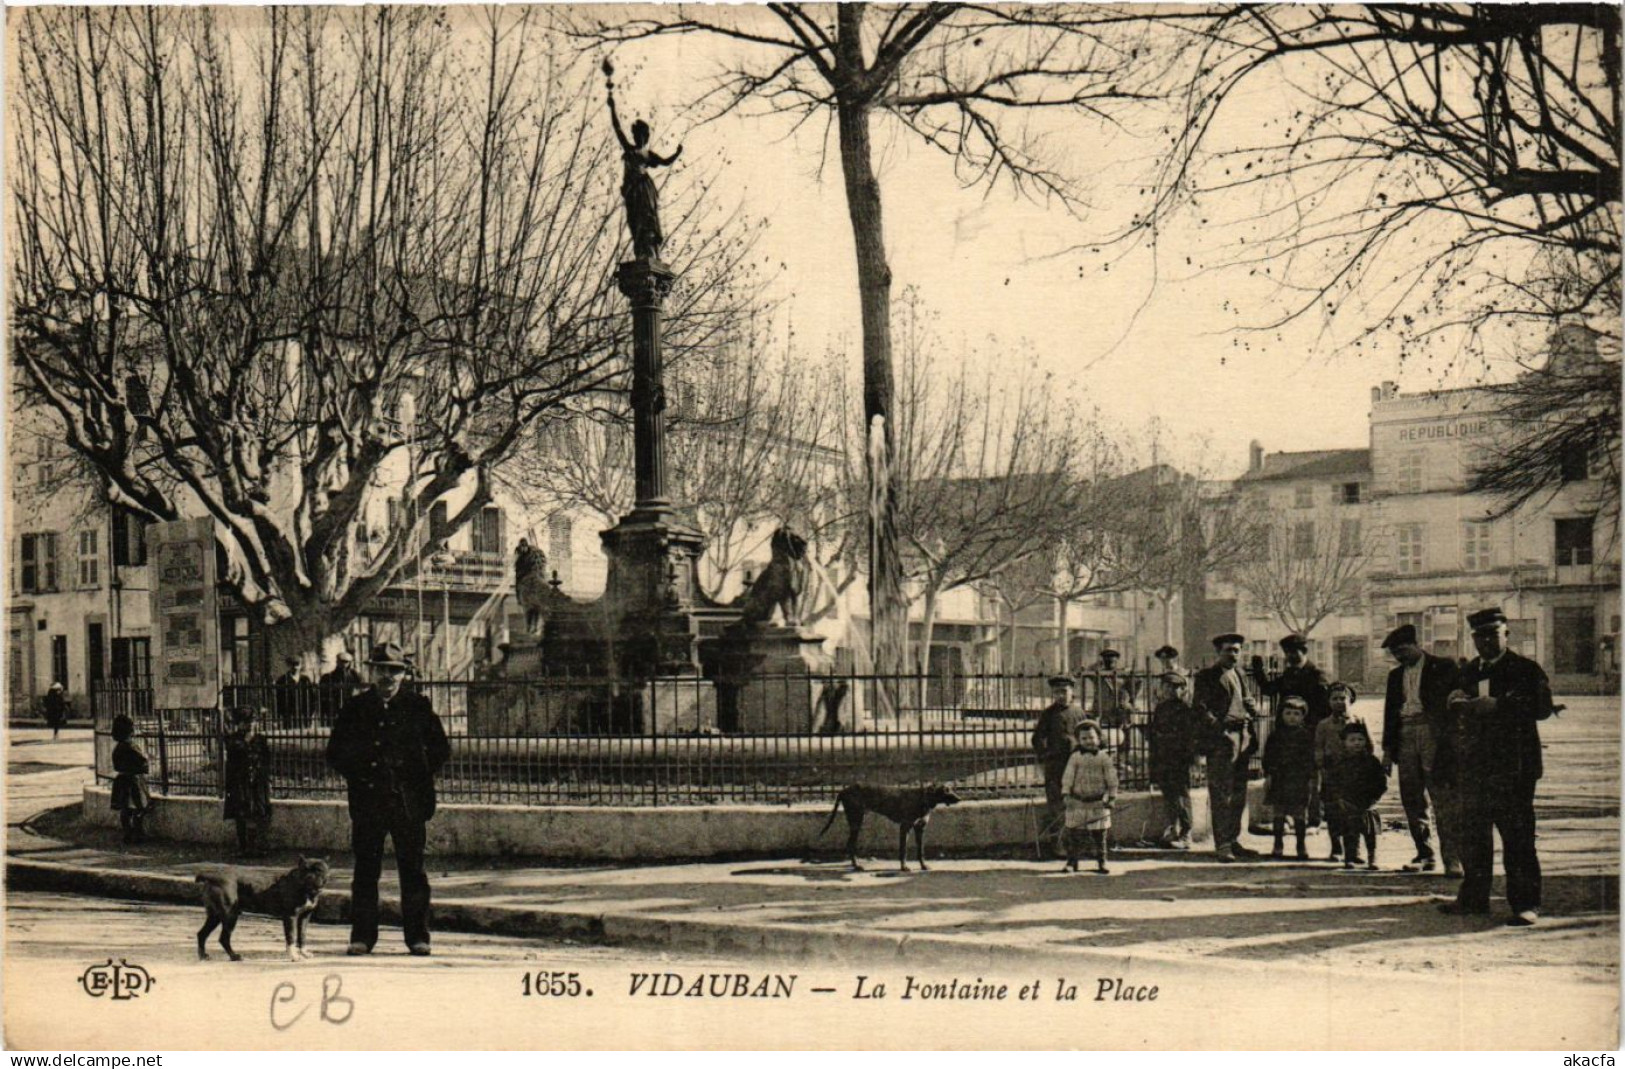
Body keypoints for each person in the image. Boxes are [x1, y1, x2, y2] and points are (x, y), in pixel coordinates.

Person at [327, 642, 451, 956]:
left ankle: (417, 937)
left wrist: (415, 778)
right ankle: (362, 937)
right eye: (382, 670)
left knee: (413, 871)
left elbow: (440, 750)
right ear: (372, 671)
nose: (388, 677)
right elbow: (335, 753)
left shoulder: (418, 707)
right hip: (369, 803)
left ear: (404, 674)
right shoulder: (355, 708)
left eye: (395, 670)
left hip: (408, 804)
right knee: (366, 871)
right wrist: (362, 775)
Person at [1441, 608, 1557, 927]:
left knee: (1517, 838)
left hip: (1514, 768)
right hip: (1474, 767)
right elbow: (1452, 712)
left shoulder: (1525, 669)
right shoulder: (1468, 672)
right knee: (1474, 837)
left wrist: (1500, 705)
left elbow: (1543, 708)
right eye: (1480, 635)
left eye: (1493, 633)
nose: (1486, 641)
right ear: (1473, 639)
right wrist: (1452, 701)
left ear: (1507, 635)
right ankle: (1473, 899)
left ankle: (1526, 904)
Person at [1380, 623, 1462, 876]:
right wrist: (1387, 750)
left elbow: (1457, 705)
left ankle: (1452, 859)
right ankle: (1425, 854)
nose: (1399, 656)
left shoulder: (1444, 667)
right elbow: (1389, 714)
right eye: (1395, 653)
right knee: (1412, 797)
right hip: (1405, 735)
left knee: (1442, 797)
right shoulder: (1395, 676)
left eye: (1403, 650)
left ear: (1417, 645)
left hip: (1433, 736)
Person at [1192, 633, 1261, 863]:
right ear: (1218, 653)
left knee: (1239, 793)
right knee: (1221, 793)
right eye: (1228, 650)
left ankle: (1233, 839)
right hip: (1222, 740)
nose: (1233, 655)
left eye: (1237, 650)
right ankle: (1222, 843)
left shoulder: (1240, 673)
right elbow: (1200, 709)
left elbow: (1247, 700)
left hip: (1242, 738)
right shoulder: (1207, 677)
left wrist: (1253, 709)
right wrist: (1220, 728)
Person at [607, 68, 683, 260]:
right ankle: (642, 253)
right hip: (632, 191)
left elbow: (665, 162)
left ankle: (651, 253)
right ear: (635, 136)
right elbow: (617, 129)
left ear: (646, 136)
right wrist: (612, 108)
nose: (639, 138)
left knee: (648, 220)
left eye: (642, 136)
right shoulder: (631, 150)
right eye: (637, 135)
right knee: (635, 222)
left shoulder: (648, 154)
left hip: (644, 190)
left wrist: (677, 153)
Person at [1032, 675, 1087, 856]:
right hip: (1056, 766)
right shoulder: (1048, 714)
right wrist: (1045, 755)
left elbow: (1090, 734)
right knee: (1057, 805)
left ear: (1072, 692)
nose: (1061, 696)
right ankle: (1058, 843)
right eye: (1057, 692)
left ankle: (1076, 843)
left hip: (1076, 765)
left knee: (1077, 803)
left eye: (1064, 691)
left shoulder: (1079, 713)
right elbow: (1038, 738)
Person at [1325, 722, 1386, 870]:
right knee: (1349, 831)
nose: (1356, 743)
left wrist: (1374, 799)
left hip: (1367, 803)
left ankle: (1372, 857)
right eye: (1352, 740)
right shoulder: (1339, 763)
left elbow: (1380, 782)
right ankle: (1350, 857)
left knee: (1369, 832)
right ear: (1344, 742)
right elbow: (1332, 783)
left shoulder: (1372, 762)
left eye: (1360, 739)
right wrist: (1339, 799)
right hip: (1347, 803)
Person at [1262, 696, 1316, 860]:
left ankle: (1301, 845)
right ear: (1282, 715)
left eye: (1296, 714)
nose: (1292, 717)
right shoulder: (1275, 736)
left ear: (1302, 716)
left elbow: (1310, 758)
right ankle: (1278, 844)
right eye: (1288, 713)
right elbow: (1268, 756)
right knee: (1279, 813)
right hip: (1280, 779)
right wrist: (1269, 773)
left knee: (1299, 814)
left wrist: (1310, 776)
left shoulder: (1306, 736)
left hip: (1299, 779)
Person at [1061, 721, 1117, 875]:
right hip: (1077, 801)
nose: (1088, 741)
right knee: (1074, 834)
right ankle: (1072, 862)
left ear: (1099, 738)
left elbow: (1112, 779)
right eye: (1084, 739)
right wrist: (1066, 794)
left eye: (1091, 738)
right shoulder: (1075, 758)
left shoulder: (1104, 758)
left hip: (1098, 802)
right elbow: (1068, 777)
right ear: (1079, 740)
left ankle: (1102, 861)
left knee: (1100, 835)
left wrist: (1112, 797)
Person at [1148, 672, 1196, 849]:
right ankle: (1173, 829)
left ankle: (1186, 833)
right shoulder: (1161, 708)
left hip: (1178, 759)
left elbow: (1189, 737)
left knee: (1181, 796)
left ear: (1183, 689)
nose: (1170, 690)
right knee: (1168, 795)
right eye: (1167, 687)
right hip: (1163, 757)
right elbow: (1154, 733)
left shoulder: (1185, 709)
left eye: (1175, 687)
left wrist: (1189, 757)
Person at [1314, 682, 1358, 860]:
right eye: (1335, 699)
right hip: (1331, 773)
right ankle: (1336, 847)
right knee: (1333, 811)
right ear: (1329, 702)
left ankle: (1353, 850)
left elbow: (1368, 745)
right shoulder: (1323, 725)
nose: (1339, 702)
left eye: (1343, 698)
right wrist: (1321, 767)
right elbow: (1318, 748)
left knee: (1353, 811)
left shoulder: (1357, 721)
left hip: (1353, 773)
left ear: (1350, 700)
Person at [1254, 633, 1332, 731]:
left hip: (1308, 730)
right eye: (1287, 652)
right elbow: (1268, 690)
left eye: (1294, 652)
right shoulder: (1288, 673)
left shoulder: (1317, 675)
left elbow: (1324, 707)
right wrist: (1258, 671)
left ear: (1304, 651)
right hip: (1286, 729)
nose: (1289, 656)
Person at [223, 706, 273, 857]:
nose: (251, 725)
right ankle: (243, 846)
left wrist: (264, 776)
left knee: (258, 811)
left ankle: (255, 846)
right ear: (240, 723)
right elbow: (233, 761)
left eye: (253, 721)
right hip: (241, 781)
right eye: (247, 722)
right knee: (242, 812)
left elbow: (267, 760)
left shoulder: (260, 740)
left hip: (257, 781)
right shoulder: (234, 740)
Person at [109, 714, 153, 844]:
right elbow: (143, 761)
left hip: (121, 780)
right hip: (134, 780)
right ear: (130, 731)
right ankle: (138, 833)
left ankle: (127, 833)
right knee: (140, 808)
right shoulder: (132, 746)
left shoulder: (117, 748)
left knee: (125, 809)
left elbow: (116, 765)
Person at [318, 651, 364, 727]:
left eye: (346, 662)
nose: (343, 664)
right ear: (337, 662)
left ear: (350, 663)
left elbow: (362, 687)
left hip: (350, 704)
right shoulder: (329, 677)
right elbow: (323, 694)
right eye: (341, 662)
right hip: (335, 705)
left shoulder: (354, 675)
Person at [273, 657, 309, 730]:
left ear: (301, 665)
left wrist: (309, 713)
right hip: (288, 714)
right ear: (289, 665)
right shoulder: (282, 680)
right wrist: (278, 715)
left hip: (303, 713)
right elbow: (278, 698)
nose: (295, 667)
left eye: (297, 664)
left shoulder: (305, 680)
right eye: (293, 665)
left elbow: (311, 697)